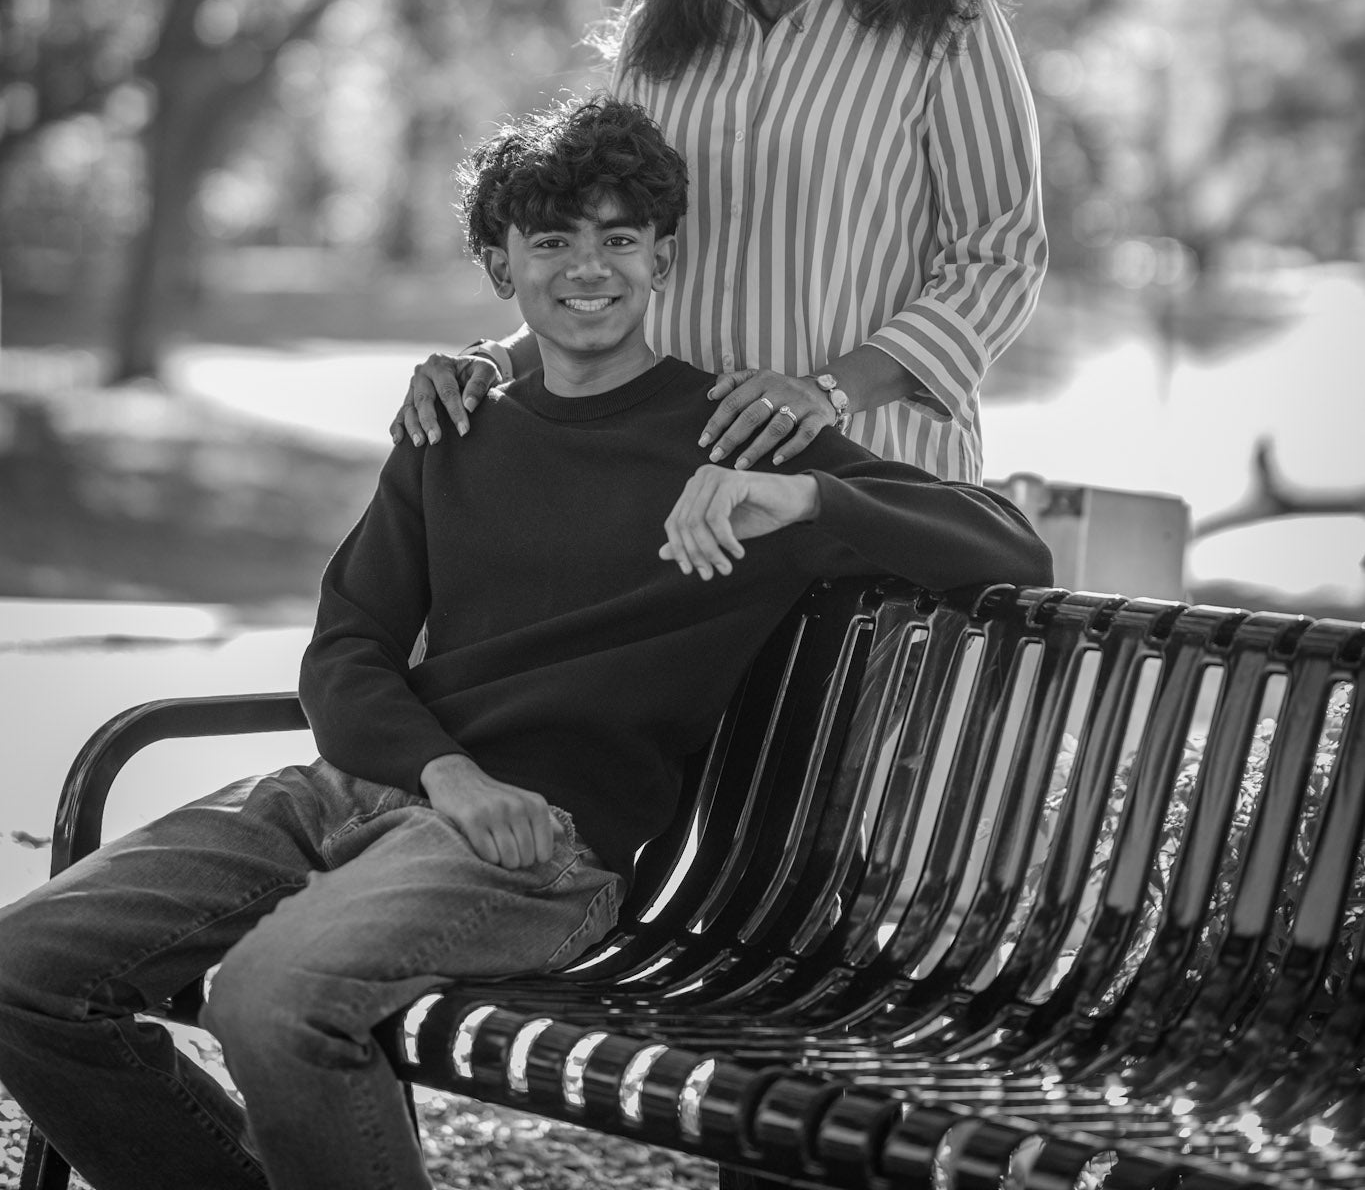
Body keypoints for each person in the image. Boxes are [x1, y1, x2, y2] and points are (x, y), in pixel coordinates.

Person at [0, 98, 1051, 1190]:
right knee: (24, 969)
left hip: (537, 845)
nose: (587, 267)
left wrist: (801, 493)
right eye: (552, 239)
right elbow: (346, 646)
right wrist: (445, 771)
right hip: (354, 793)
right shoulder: (455, 428)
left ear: (663, 258)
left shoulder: (733, 436)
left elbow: (1011, 544)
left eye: (619, 238)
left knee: (268, 996)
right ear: (504, 266)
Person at [397, 0, 1046, 485]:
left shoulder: (944, 21)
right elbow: (618, 256)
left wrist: (827, 394)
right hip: (677, 489)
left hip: (873, 489)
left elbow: (1000, 257)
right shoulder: (660, 33)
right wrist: (495, 362)